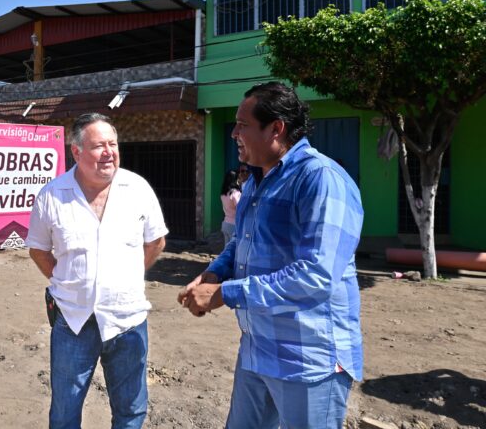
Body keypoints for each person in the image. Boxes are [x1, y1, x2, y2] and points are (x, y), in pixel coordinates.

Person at [178, 82, 364, 429]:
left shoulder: (320, 180)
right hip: (257, 349)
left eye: (242, 124)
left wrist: (225, 294)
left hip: (309, 361)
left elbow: (316, 276)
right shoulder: (257, 181)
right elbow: (242, 242)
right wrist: (214, 274)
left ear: (276, 128)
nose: (234, 132)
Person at [26, 113, 168, 429]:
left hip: (127, 320)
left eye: (112, 144)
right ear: (76, 151)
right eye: (98, 145)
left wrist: (125, 277)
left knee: (131, 410)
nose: (109, 152)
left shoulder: (137, 188)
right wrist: (69, 282)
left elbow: (155, 242)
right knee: (64, 412)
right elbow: (38, 249)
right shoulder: (52, 195)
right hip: (74, 320)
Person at [219, 170, 241, 245]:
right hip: (234, 224)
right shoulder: (235, 193)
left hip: (225, 223)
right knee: (234, 251)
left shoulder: (223, 194)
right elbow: (240, 208)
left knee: (227, 249)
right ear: (235, 180)